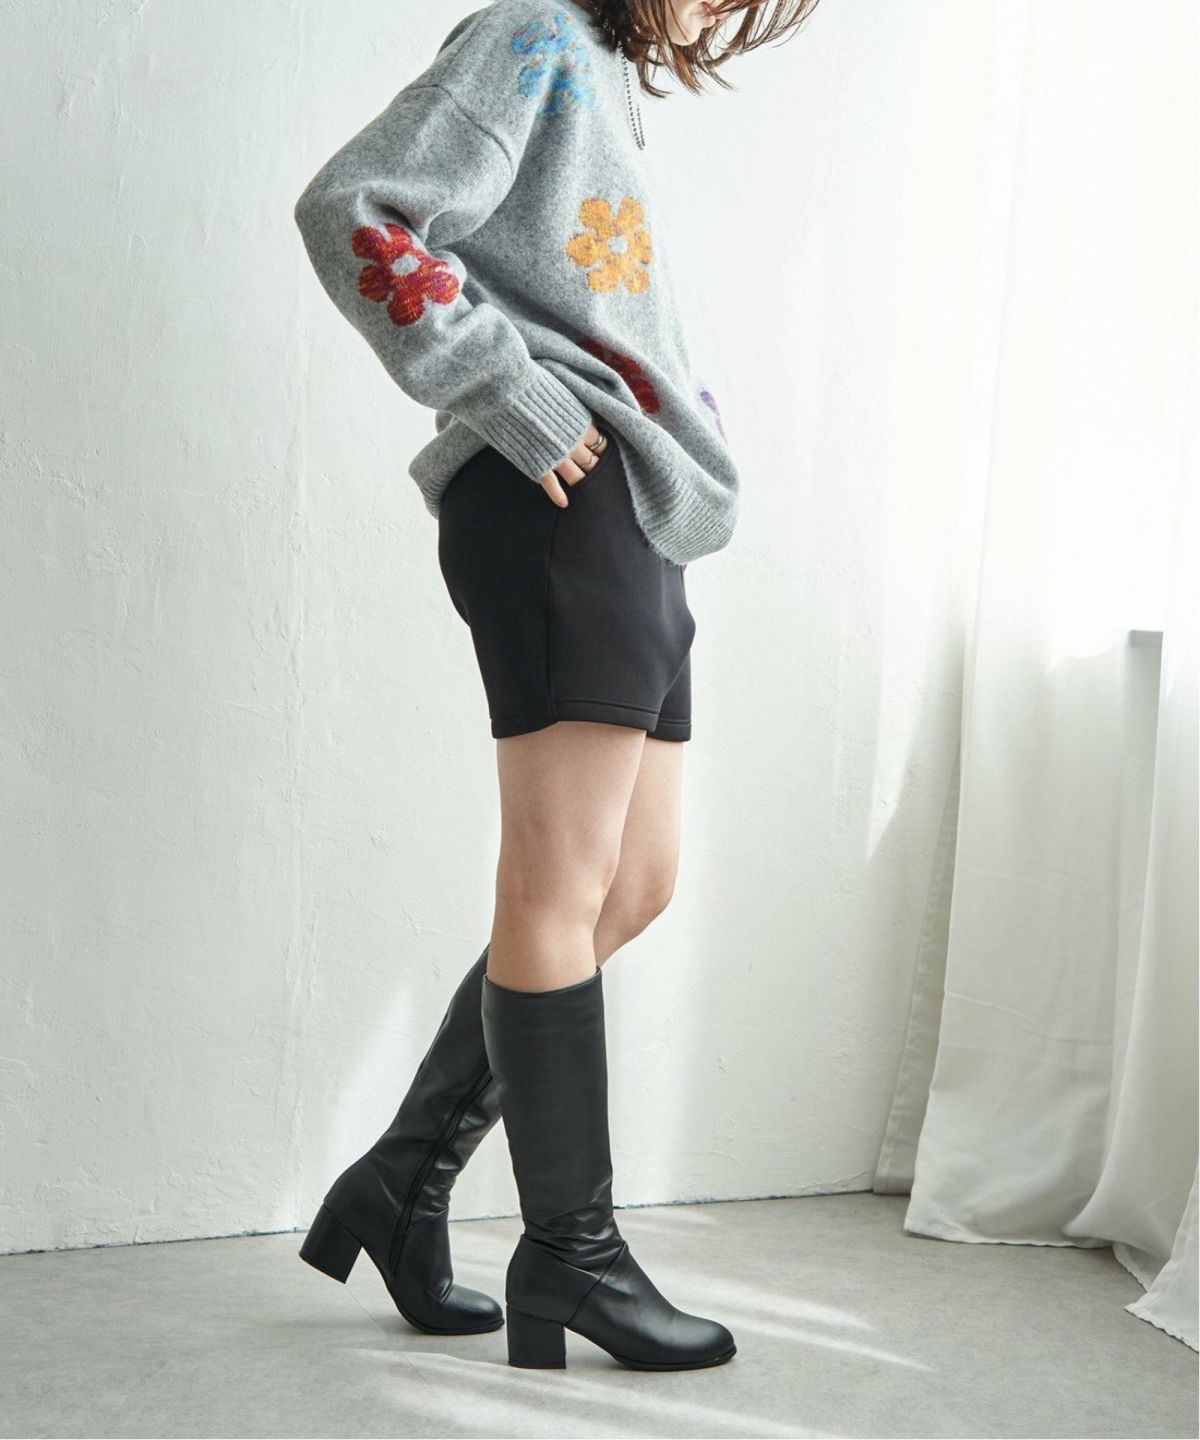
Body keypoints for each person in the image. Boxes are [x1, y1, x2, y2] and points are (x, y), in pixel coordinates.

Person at [292, 0, 815, 1372]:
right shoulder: (532, 35)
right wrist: (503, 387)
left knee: (630, 884)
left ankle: (401, 1179)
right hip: (557, 504)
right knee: (555, 889)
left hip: (631, 510)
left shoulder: (593, 75)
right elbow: (355, 205)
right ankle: (571, 1258)